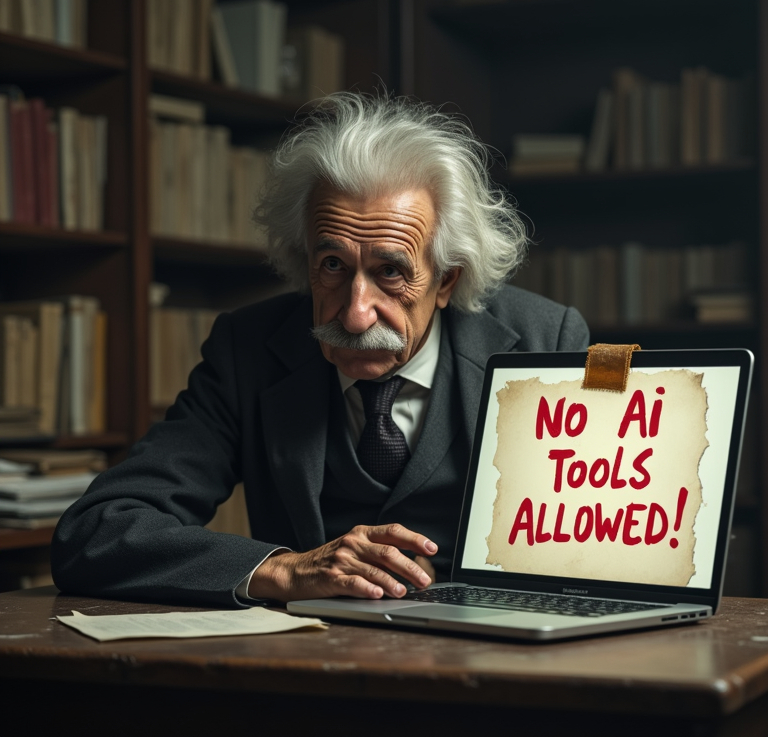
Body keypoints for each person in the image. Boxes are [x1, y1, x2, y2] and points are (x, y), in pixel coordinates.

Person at [51, 92, 589, 607]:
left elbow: (597, 553)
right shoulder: (248, 352)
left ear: (446, 280)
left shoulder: (548, 341)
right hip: (309, 665)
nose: (354, 314)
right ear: (304, 256)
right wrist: (282, 570)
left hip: (493, 660)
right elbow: (95, 532)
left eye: (390, 272)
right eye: (333, 266)